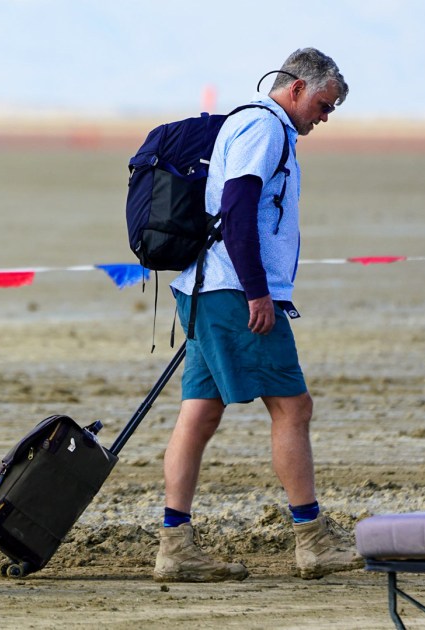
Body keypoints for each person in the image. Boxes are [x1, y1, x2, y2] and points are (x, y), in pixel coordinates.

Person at [154, 48, 362, 582]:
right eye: (322, 103)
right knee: (293, 408)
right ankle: (312, 540)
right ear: (295, 88)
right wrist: (257, 292)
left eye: (331, 108)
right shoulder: (265, 128)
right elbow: (238, 206)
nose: (324, 116)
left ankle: (174, 547)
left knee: (199, 414)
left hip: (207, 288)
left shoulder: (261, 126)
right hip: (231, 292)